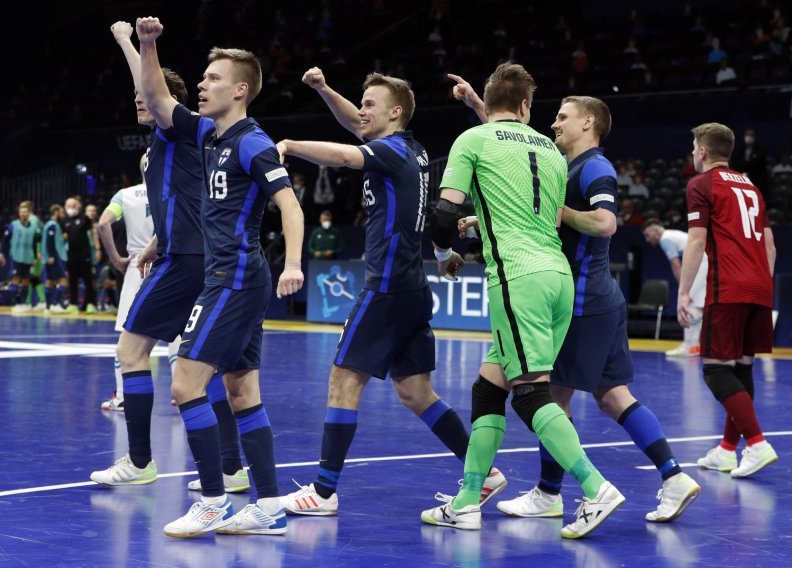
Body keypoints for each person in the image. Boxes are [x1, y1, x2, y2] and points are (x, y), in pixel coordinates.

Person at [277, 66, 504, 517]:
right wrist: (323, 90)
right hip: (412, 287)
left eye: (371, 105)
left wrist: (289, 145)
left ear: (395, 112)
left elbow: (343, 155)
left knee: (343, 380)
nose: (361, 111)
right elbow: (353, 125)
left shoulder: (390, 151)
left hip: (385, 288)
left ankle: (322, 493)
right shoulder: (409, 148)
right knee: (417, 392)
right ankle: (485, 474)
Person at [420, 65, 626, 540]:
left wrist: (443, 251)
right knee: (489, 388)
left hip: (516, 277)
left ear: (489, 102)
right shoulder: (552, 153)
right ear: (526, 107)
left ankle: (595, 489)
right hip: (557, 279)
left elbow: (446, 211)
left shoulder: (473, 141)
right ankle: (468, 500)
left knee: (531, 392)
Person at [136, 16, 305, 537]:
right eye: (202, 78)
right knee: (241, 393)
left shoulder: (253, 143)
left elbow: (290, 206)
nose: (202, 85)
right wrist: (145, 45)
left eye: (212, 79)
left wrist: (295, 263)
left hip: (234, 277)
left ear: (241, 89)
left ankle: (212, 500)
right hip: (230, 277)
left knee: (186, 384)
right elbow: (160, 101)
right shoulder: (209, 133)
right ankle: (271, 507)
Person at [91, 21, 249, 508]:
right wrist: (157, 239)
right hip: (187, 251)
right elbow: (188, 198)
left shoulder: (175, 128)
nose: (141, 102)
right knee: (212, 370)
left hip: (189, 260)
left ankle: (140, 461)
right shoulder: (171, 143)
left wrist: (131, 41)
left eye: (146, 97)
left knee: (131, 352)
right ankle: (232, 468)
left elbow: (154, 91)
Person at [678, 122, 778, 478]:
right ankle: (726, 450)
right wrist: (760, 286)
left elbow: (695, 241)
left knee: (716, 369)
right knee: (741, 367)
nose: (692, 153)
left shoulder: (700, 184)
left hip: (729, 286)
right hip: (761, 287)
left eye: (693, 147)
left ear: (703, 152)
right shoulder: (751, 185)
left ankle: (757, 443)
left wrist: (684, 290)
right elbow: (770, 246)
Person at [97, 153, 154, 411]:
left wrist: (116, 259)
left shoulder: (125, 195)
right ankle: (187, 394)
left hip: (137, 268)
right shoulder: (175, 191)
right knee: (182, 337)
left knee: (127, 341)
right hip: (173, 265)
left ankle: (122, 396)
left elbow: (103, 224)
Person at [642, 218, 707, 357]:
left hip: (700, 263)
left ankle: (690, 345)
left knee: (691, 305)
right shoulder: (672, 234)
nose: (647, 240)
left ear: (656, 230)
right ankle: (694, 345)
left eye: (648, 235)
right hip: (703, 261)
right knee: (697, 306)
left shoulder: (665, 239)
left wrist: (684, 289)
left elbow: (676, 265)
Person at [0, 202, 41, 311]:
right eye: (21, 212)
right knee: (16, 279)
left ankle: (23, 303)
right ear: (19, 213)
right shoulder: (13, 224)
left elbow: (35, 243)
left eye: (25, 212)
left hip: (28, 257)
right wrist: (1, 252)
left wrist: (35, 257)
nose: (23, 214)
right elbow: (5, 240)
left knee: (26, 280)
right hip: (16, 256)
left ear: (29, 213)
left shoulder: (34, 226)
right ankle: (15, 303)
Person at [62, 196, 98, 314]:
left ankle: (91, 304)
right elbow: (64, 237)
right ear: (65, 207)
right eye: (68, 206)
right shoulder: (64, 221)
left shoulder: (85, 218)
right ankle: (73, 304)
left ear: (77, 206)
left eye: (73, 205)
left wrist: (98, 249)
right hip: (71, 255)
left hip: (84, 254)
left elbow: (93, 233)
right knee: (72, 280)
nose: (71, 208)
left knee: (87, 280)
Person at [41, 204, 69, 313]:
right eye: (61, 212)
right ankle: (56, 304)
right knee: (64, 279)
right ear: (56, 212)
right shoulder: (52, 225)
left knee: (50, 280)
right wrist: (52, 255)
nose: (63, 214)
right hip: (55, 257)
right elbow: (49, 241)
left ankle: (48, 307)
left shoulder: (50, 224)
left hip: (50, 256)